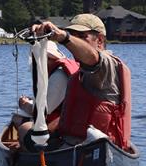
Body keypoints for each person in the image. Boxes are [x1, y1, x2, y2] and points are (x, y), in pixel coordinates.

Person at [31, 13, 132, 150]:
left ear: (100, 40)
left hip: (95, 149)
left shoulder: (106, 64)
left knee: (25, 131)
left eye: (83, 37)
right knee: (29, 132)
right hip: (74, 145)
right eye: (73, 35)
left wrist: (63, 37)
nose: (75, 41)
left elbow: (92, 57)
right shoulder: (79, 73)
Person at [12, 41, 78, 147]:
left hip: (63, 124)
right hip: (65, 118)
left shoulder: (59, 76)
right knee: (18, 119)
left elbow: (42, 112)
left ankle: (24, 151)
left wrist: (24, 104)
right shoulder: (58, 71)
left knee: (19, 123)